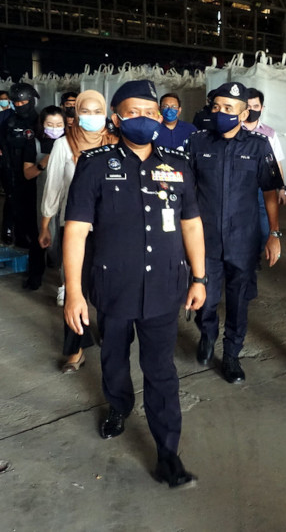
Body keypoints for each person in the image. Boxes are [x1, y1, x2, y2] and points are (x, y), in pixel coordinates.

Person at [63, 79, 206, 488]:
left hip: (164, 288)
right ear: (116, 118)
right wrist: (73, 292)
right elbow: (75, 231)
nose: (142, 119)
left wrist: (199, 277)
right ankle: (119, 406)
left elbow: (191, 224)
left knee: (161, 371)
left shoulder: (177, 165)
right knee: (113, 357)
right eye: (133, 112)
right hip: (114, 287)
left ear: (160, 118)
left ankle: (168, 454)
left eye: (150, 112)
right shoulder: (94, 164)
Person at [187, 81, 284, 383]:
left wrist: (274, 234)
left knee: (239, 299)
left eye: (228, 108)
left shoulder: (258, 146)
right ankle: (207, 334)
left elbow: (270, 192)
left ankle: (231, 355)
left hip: (243, 239)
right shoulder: (197, 143)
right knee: (206, 297)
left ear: (243, 114)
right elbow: (186, 191)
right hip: (206, 240)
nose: (220, 113)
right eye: (216, 107)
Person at [40, 90, 119, 372]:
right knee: (76, 290)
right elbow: (54, 188)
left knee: (110, 289)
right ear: (76, 114)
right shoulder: (64, 145)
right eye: (85, 111)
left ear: (107, 114)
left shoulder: (117, 144)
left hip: (111, 230)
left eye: (98, 111)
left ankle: (111, 339)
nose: (92, 117)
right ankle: (75, 348)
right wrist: (46, 224)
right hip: (74, 230)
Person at [0, 83, 41, 273]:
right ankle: (10, 231)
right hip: (10, 168)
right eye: (17, 102)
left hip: (35, 169)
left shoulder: (41, 119)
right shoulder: (5, 119)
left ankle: (31, 237)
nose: (20, 105)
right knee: (12, 200)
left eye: (24, 101)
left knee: (33, 203)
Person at [242, 87, 286, 253]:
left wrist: (281, 188)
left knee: (263, 225)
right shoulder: (235, 131)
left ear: (262, 108)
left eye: (255, 106)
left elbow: (276, 163)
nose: (252, 110)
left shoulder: (269, 133)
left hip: (263, 189)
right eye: (248, 107)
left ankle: (257, 255)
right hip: (240, 187)